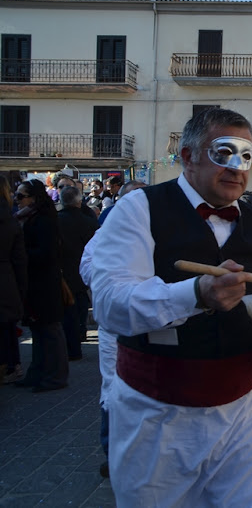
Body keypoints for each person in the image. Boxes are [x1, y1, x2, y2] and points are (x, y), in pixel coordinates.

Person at [90, 108, 252, 505]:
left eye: (245, 156)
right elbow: (110, 305)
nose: (236, 167)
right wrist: (194, 294)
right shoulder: (137, 210)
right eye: (223, 152)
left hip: (244, 408)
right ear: (188, 156)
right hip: (155, 413)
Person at [80, 179, 146, 477]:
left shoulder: (160, 232)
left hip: (151, 325)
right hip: (115, 328)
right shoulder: (104, 234)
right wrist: (118, 280)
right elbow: (88, 267)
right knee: (114, 388)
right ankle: (113, 453)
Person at [13, 179, 69, 393]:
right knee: (39, 330)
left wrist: (20, 255)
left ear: (33, 198)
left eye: (21, 196)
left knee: (50, 331)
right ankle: (37, 373)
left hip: (44, 284)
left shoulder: (43, 220)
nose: (17, 200)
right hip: (35, 282)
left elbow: (48, 253)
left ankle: (55, 376)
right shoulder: (29, 218)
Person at [58, 186, 99, 361]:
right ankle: (80, 334)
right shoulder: (88, 222)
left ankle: (72, 344)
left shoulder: (56, 221)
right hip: (83, 272)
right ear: (79, 201)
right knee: (80, 305)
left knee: (68, 311)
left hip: (63, 271)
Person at [0, 176, 27, 384]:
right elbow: (19, 259)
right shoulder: (10, 220)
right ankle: (12, 364)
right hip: (6, 279)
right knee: (7, 326)